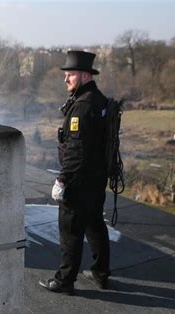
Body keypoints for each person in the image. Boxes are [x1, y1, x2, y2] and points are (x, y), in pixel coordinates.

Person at [39, 50, 110, 295]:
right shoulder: (99, 100)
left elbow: (76, 150)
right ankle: (101, 274)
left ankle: (64, 280)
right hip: (97, 177)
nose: (66, 79)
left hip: (79, 180)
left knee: (70, 230)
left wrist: (62, 179)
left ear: (83, 75)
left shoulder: (82, 107)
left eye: (69, 75)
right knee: (95, 224)